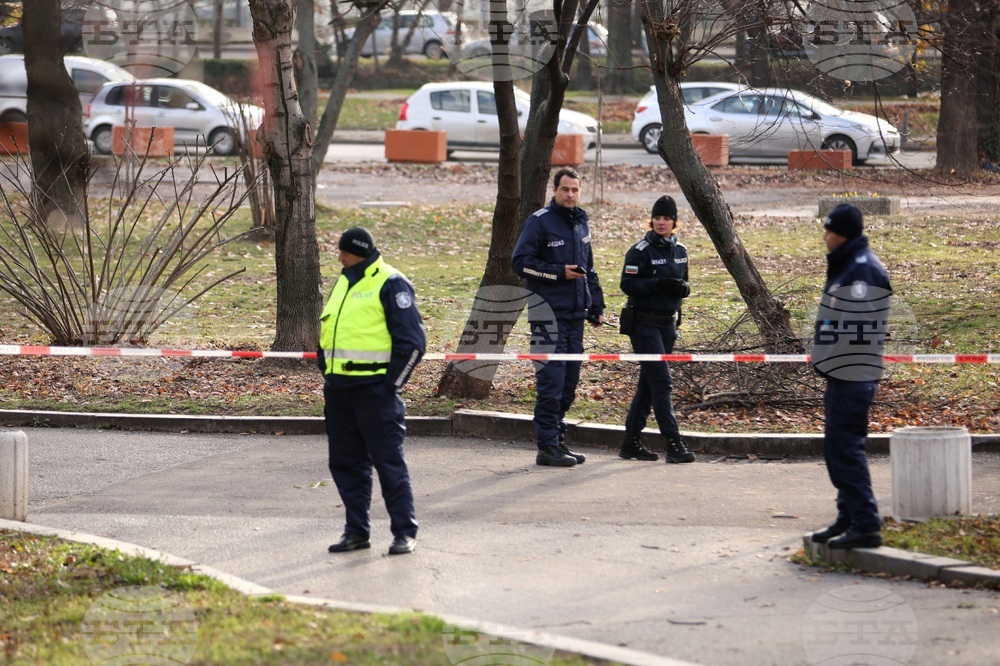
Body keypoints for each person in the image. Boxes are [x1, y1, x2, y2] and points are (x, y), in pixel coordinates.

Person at [319, 227, 426, 556]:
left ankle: (404, 532)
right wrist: (327, 371)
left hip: (374, 392)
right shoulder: (343, 281)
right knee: (346, 464)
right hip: (339, 391)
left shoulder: (391, 282)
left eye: (344, 252)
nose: (339, 257)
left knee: (388, 463)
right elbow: (329, 331)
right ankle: (356, 531)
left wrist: (389, 387)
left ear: (359, 251)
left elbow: (413, 344)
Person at [809, 203, 892, 550]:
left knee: (847, 448)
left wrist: (828, 348)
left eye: (827, 230)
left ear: (841, 234)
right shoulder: (849, 264)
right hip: (842, 372)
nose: (824, 236)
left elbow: (855, 326)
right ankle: (848, 516)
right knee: (837, 448)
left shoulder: (861, 272)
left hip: (853, 373)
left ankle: (866, 523)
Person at [512, 168, 605, 467]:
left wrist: (595, 305)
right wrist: (556, 273)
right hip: (546, 315)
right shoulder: (539, 222)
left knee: (568, 385)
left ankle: (558, 440)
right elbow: (521, 263)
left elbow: (588, 267)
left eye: (575, 190)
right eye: (565, 189)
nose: (570, 195)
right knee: (551, 385)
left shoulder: (581, 223)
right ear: (555, 190)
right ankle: (547, 447)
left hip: (575, 316)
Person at [618, 195, 696, 464]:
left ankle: (630, 442)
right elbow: (627, 285)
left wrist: (682, 291)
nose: (661, 222)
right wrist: (658, 283)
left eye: (667, 218)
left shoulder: (681, 251)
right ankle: (673, 443)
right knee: (662, 382)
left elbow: (683, 284)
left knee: (649, 385)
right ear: (651, 220)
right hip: (643, 324)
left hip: (667, 325)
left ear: (675, 222)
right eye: (658, 218)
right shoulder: (640, 251)